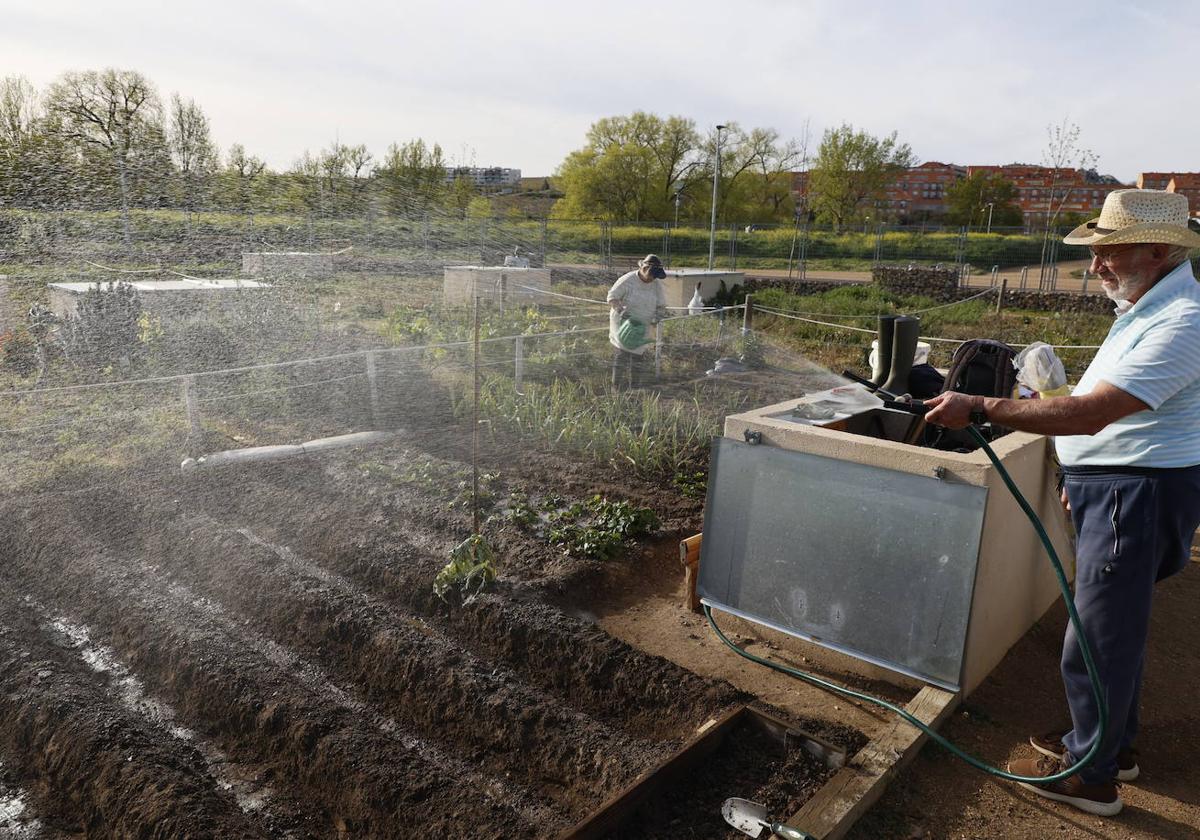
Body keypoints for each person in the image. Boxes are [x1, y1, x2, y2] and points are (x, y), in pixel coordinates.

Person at [925, 189, 1200, 817]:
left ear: (1158, 250)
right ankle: (1111, 747)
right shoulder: (1146, 308)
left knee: (1098, 638)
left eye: (1110, 250)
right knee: (1112, 629)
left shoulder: (1182, 321)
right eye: (1095, 251)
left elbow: (1094, 413)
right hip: (1123, 489)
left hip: (1138, 493)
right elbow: (1106, 410)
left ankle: (1090, 777)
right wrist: (1083, 480)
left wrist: (983, 406)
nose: (1097, 264)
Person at [607, 254, 667, 389]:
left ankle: (634, 387)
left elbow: (661, 305)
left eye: (655, 276)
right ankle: (615, 387)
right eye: (652, 275)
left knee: (638, 356)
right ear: (644, 269)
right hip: (624, 323)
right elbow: (612, 297)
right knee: (622, 354)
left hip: (642, 326)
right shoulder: (628, 280)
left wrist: (657, 317)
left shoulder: (656, 284)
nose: (653, 278)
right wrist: (621, 311)